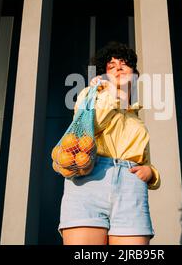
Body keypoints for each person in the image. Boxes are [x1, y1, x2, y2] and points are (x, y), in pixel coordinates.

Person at [58, 41, 161, 245]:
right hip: (90, 180)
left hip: (131, 190)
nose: (118, 68)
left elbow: (143, 159)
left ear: (135, 74)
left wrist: (151, 174)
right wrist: (108, 91)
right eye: (111, 66)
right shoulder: (89, 96)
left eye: (124, 64)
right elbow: (92, 127)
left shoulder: (136, 118)